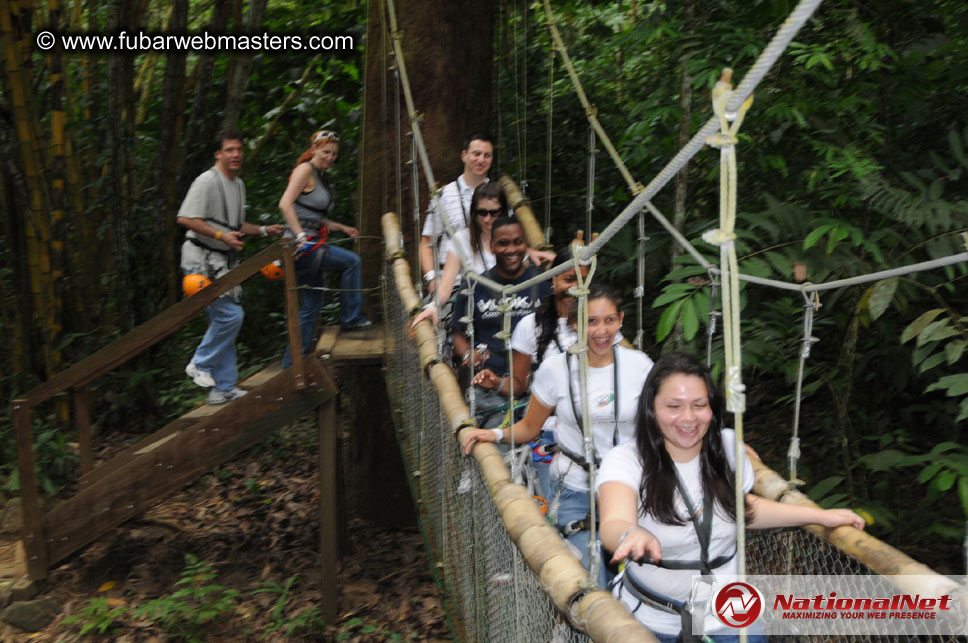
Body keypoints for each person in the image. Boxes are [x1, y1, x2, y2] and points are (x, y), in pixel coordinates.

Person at [597, 352, 866, 642]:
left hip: (730, 617)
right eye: (673, 406)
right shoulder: (627, 460)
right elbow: (614, 521)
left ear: (712, 408)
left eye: (699, 405)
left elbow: (741, 508)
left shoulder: (727, 447)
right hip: (652, 621)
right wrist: (630, 534)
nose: (688, 417)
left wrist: (819, 516)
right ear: (651, 408)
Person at [462, 282, 654, 587]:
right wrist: (494, 434)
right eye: (591, 321)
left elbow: (662, 425)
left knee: (638, 580)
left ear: (621, 320)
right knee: (589, 582)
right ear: (574, 323)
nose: (601, 330)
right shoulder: (555, 370)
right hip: (575, 489)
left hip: (631, 488)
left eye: (609, 320)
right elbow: (530, 427)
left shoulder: (640, 367)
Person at [178, 129, 284, 405]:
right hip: (200, 260)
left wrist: (263, 230)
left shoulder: (238, 184)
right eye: (229, 150)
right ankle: (200, 363)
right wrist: (219, 236)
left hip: (222, 261)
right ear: (218, 153)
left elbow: (234, 226)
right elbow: (186, 218)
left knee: (224, 322)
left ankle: (221, 389)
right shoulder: (206, 181)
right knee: (230, 317)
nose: (236, 154)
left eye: (239, 149)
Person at [278, 129, 371, 366]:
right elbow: (285, 204)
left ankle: (292, 363)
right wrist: (300, 237)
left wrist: (342, 228)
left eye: (334, 154)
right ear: (314, 149)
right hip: (302, 246)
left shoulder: (320, 176)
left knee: (312, 305)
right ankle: (351, 319)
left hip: (311, 242)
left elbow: (315, 217)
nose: (330, 157)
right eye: (326, 152)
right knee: (352, 262)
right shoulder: (305, 170)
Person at [450, 216, 551, 427]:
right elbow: (458, 333)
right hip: (488, 382)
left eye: (518, 242)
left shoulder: (541, 284)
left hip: (535, 382)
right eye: (503, 243)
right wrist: (468, 354)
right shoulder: (474, 286)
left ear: (526, 244)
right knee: (494, 441)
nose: (511, 249)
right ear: (492, 247)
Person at [411, 182, 554, 328]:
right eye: (482, 212)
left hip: (514, 310)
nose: (487, 219)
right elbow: (446, 286)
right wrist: (434, 306)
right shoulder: (461, 240)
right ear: (474, 213)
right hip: (480, 316)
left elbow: (525, 282)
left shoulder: (514, 238)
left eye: (494, 212)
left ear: (503, 211)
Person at [419, 133, 494, 293]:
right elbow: (427, 241)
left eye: (487, 155)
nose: (481, 160)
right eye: (476, 154)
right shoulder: (444, 195)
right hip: (452, 284)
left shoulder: (498, 196)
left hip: (491, 282)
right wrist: (432, 278)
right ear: (464, 155)